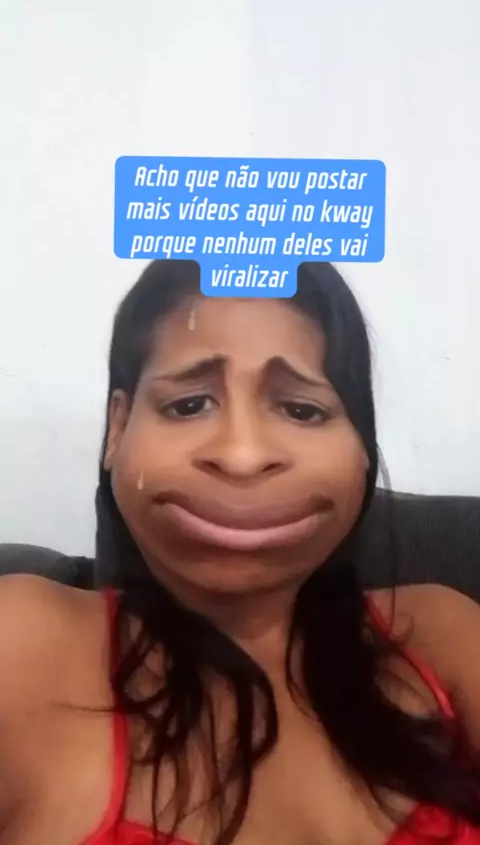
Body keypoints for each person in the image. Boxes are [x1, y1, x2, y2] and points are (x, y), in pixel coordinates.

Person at [0, 260, 480, 845]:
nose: (242, 456)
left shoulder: (443, 634)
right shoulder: (19, 644)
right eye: (189, 404)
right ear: (117, 429)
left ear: (362, 448)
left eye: (302, 409)